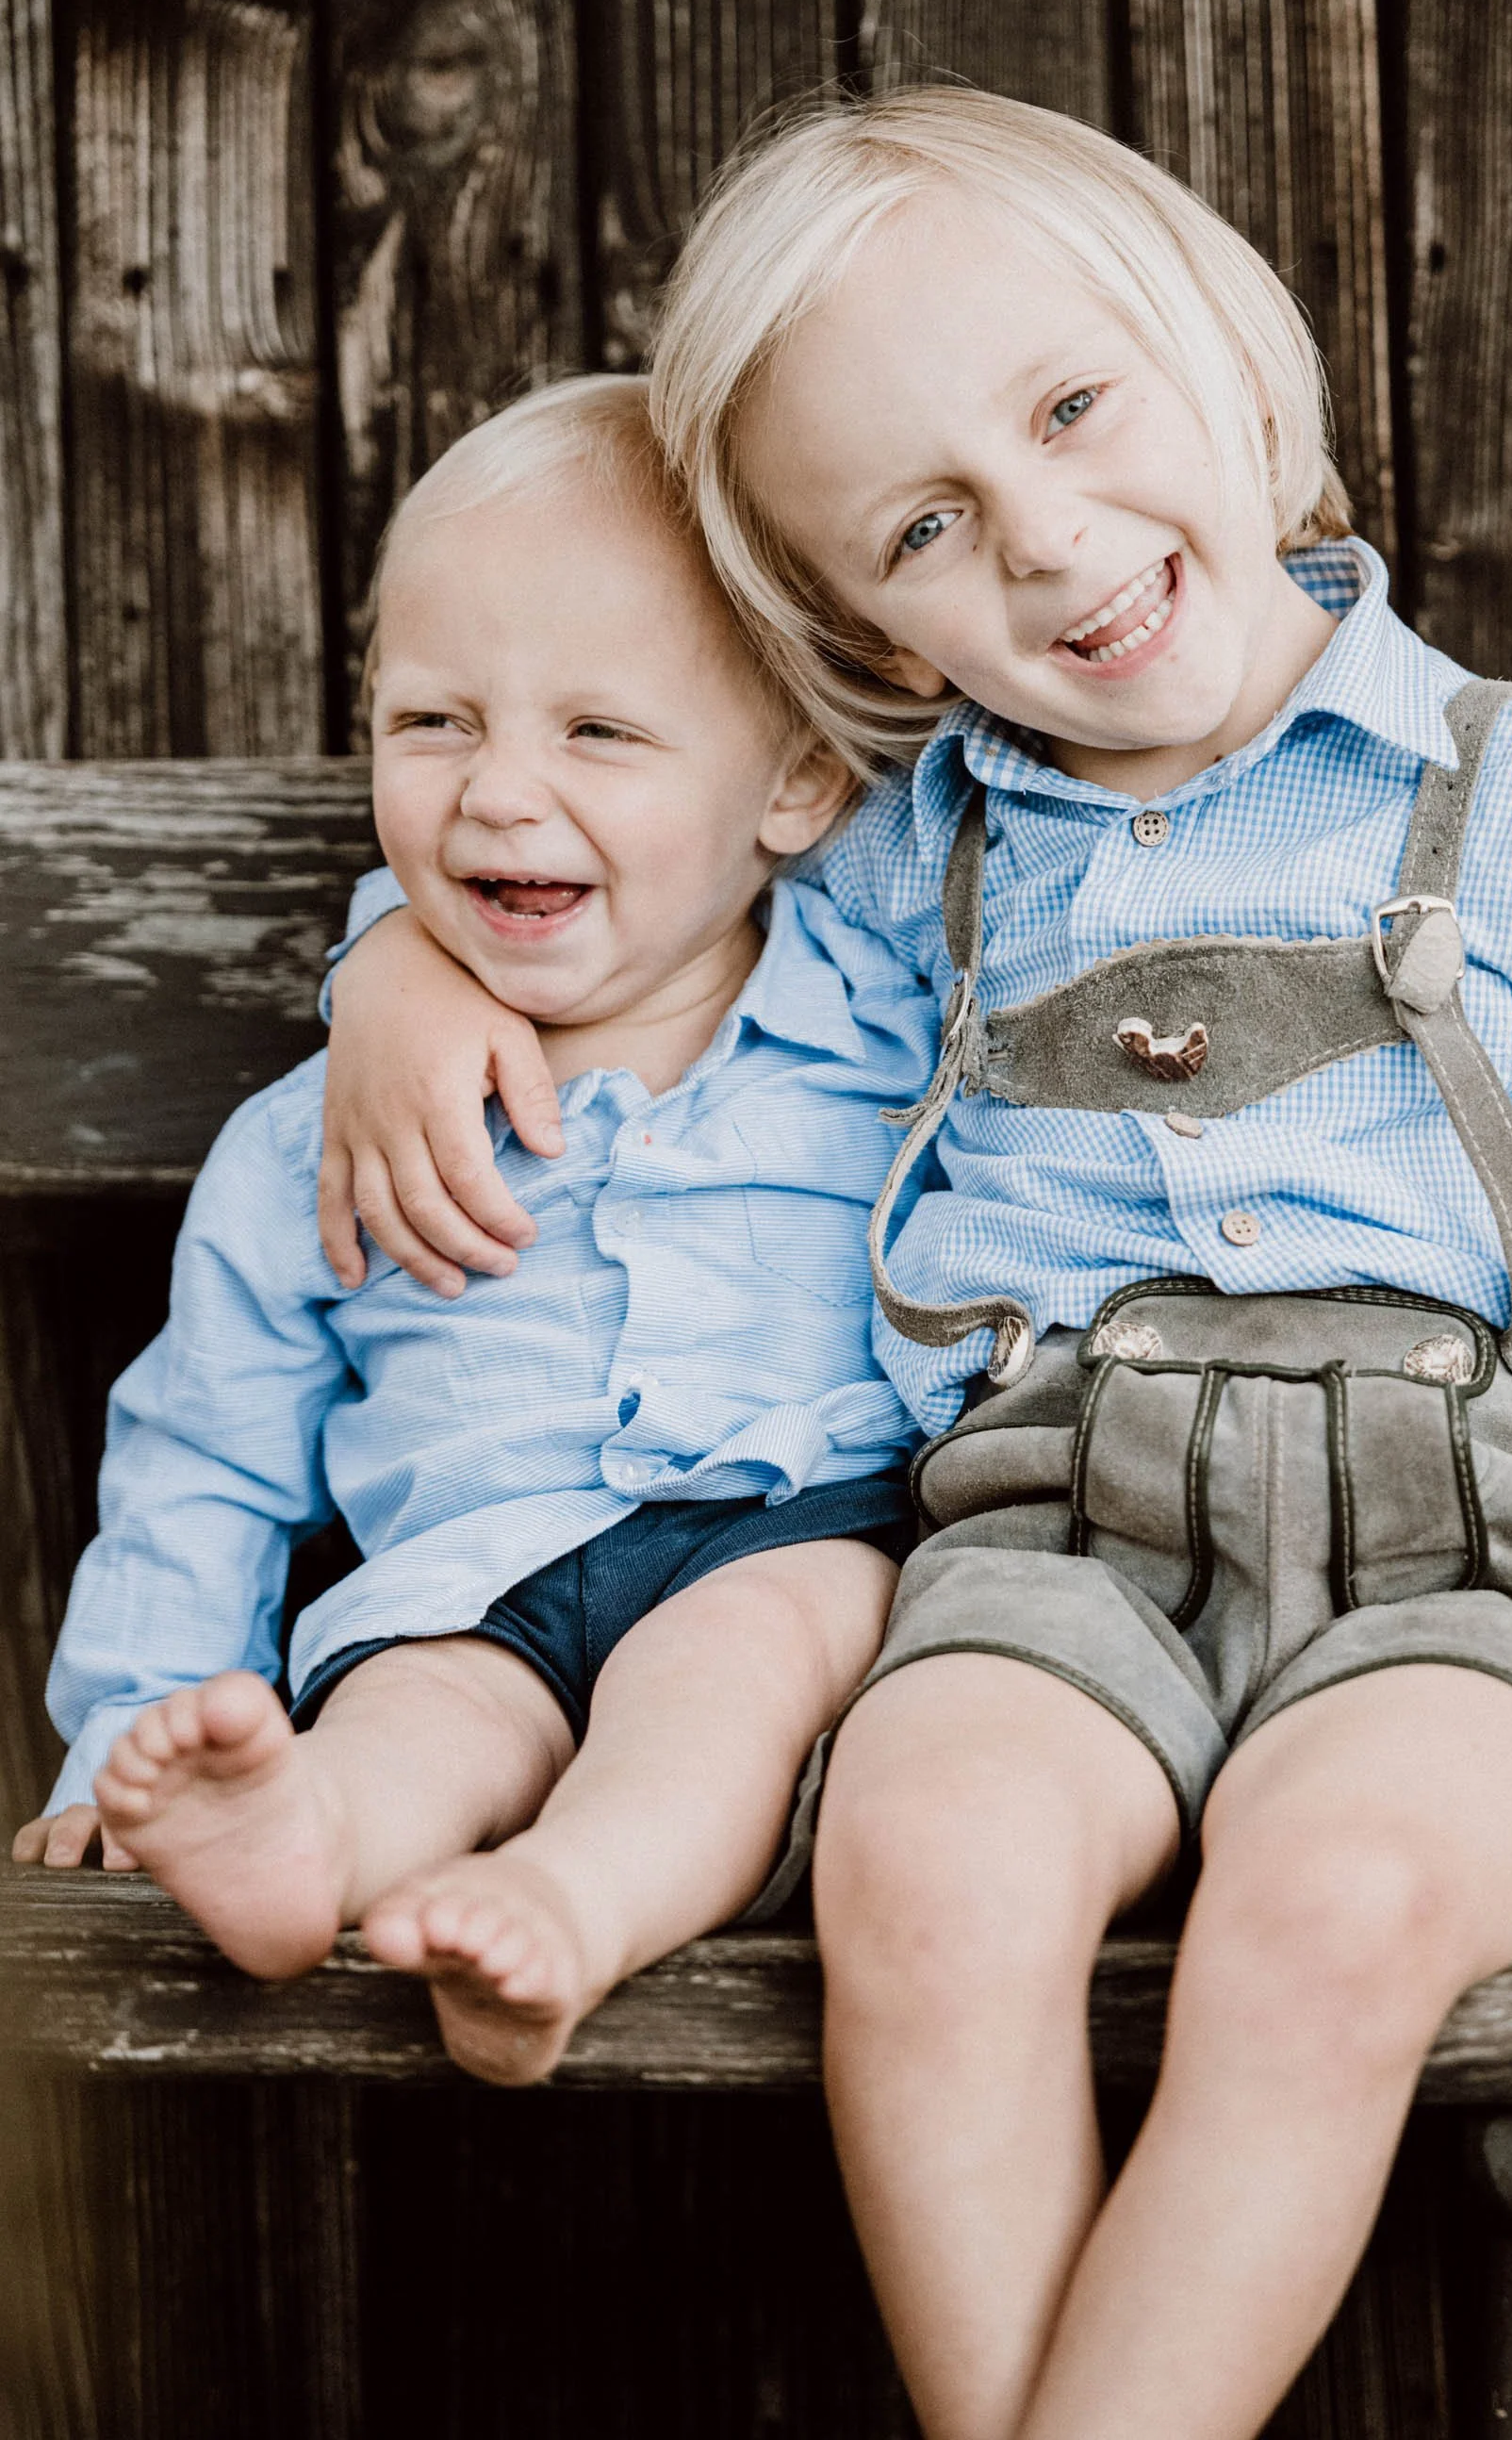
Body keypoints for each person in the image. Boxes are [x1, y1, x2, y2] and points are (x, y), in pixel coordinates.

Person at [308, 91, 1512, 2440]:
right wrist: (394, 976)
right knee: (924, 1872)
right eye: (926, 527)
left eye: (1070, 409)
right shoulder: (897, 854)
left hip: (1482, 1566)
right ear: (852, 622)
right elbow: (602, 903)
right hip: (1048, 1544)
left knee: (1325, 1911)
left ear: (1228, 357)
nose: (1045, 541)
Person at [12, 374, 935, 2090]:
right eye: (433, 723)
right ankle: (307, 1851)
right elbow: (203, 1466)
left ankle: (569, 1907)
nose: (500, 795)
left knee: (731, 1671)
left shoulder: (900, 1030)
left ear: (799, 779)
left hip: (786, 1538)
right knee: (409, 1712)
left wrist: (379, 950)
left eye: (600, 732)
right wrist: (111, 1757)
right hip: (466, 1581)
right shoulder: (308, 1142)